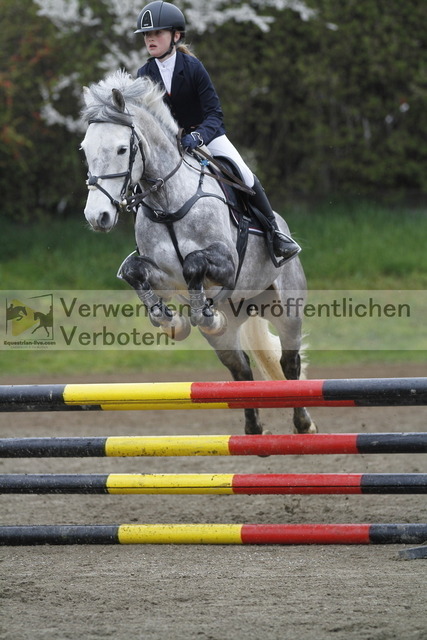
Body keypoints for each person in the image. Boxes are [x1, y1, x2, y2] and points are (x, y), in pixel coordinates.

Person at [134, 1, 301, 263]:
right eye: (146, 34)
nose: (150, 39)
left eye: (157, 33)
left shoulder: (193, 68)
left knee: (244, 174)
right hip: (169, 146)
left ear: (176, 36)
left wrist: (197, 136)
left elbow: (214, 114)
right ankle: (143, 247)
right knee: (140, 180)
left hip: (205, 137)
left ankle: (274, 232)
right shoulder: (144, 74)